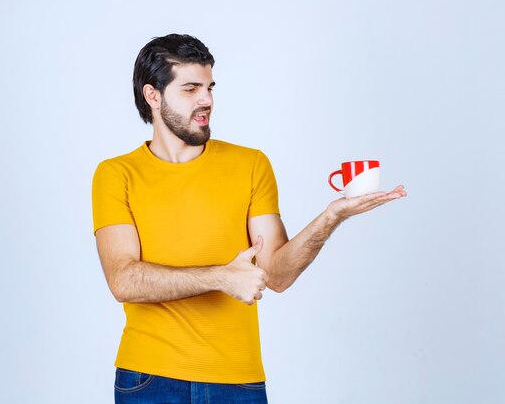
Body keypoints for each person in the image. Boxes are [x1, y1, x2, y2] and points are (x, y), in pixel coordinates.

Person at [92, 33, 407, 404]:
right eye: (191, 88)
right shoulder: (116, 174)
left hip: (238, 381)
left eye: (210, 87)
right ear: (153, 96)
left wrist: (331, 217)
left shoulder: (250, 165)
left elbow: (277, 274)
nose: (206, 99)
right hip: (149, 379)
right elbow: (124, 280)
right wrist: (222, 277)